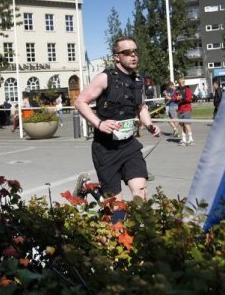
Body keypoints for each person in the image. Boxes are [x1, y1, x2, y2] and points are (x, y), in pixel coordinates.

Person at [74, 36, 161, 202]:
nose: (133, 55)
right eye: (127, 52)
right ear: (116, 57)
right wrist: (99, 123)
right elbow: (80, 102)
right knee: (115, 207)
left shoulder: (137, 80)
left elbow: (141, 107)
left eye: (136, 51)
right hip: (106, 149)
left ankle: (138, 227)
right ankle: (87, 187)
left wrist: (149, 124)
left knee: (140, 193)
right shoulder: (105, 78)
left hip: (129, 146)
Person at [176, 76, 194, 146]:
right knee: (182, 125)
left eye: (183, 82)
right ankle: (184, 140)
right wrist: (176, 98)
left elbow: (189, 99)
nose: (183, 83)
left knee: (186, 123)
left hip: (187, 109)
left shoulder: (187, 89)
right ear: (179, 83)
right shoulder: (177, 90)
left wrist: (182, 98)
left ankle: (191, 139)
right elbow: (174, 98)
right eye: (181, 82)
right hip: (180, 109)